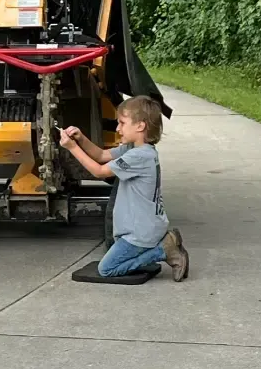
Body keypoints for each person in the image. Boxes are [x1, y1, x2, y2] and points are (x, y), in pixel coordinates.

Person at [59, 95, 189, 280]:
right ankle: (162, 245)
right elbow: (102, 155)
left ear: (140, 126)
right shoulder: (135, 150)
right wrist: (81, 139)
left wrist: (72, 148)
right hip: (145, 227)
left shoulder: (138, 157)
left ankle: (164, 250)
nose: (118, 128)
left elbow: (99, 171)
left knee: (107, 269)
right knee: (114, 261)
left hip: (140, 232)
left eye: (122, 123)